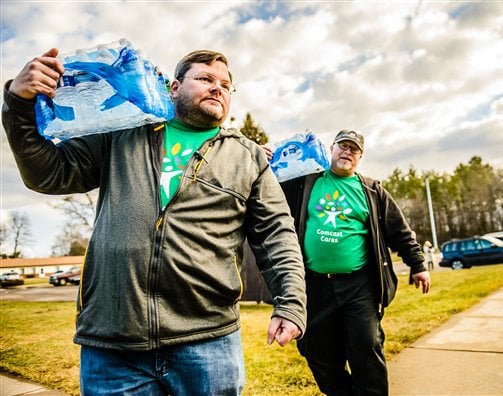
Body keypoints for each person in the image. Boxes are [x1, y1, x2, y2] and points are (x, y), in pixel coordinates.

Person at [2, 48, 306, 395]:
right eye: (205, 79)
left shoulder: (246, 156)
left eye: (225, 85)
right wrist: (19, 104)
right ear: (173, 87)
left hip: (207, 340)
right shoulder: (123, 131)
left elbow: (276, 234)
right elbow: (48, 173)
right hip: (114, 343)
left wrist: (291, 303)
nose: (218, 88)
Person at [265, 130, 431, 396]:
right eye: (343, 146)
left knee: (366, 345)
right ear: (332, 148)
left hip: (359, 285)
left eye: (354, 149)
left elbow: (399, 231)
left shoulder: (372, 190)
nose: (347, 152)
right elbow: (267, 189)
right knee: (316, 350)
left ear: (360, 157)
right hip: (314, 286)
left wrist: (418, 265)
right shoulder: (304, 182)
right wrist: (262, 160)